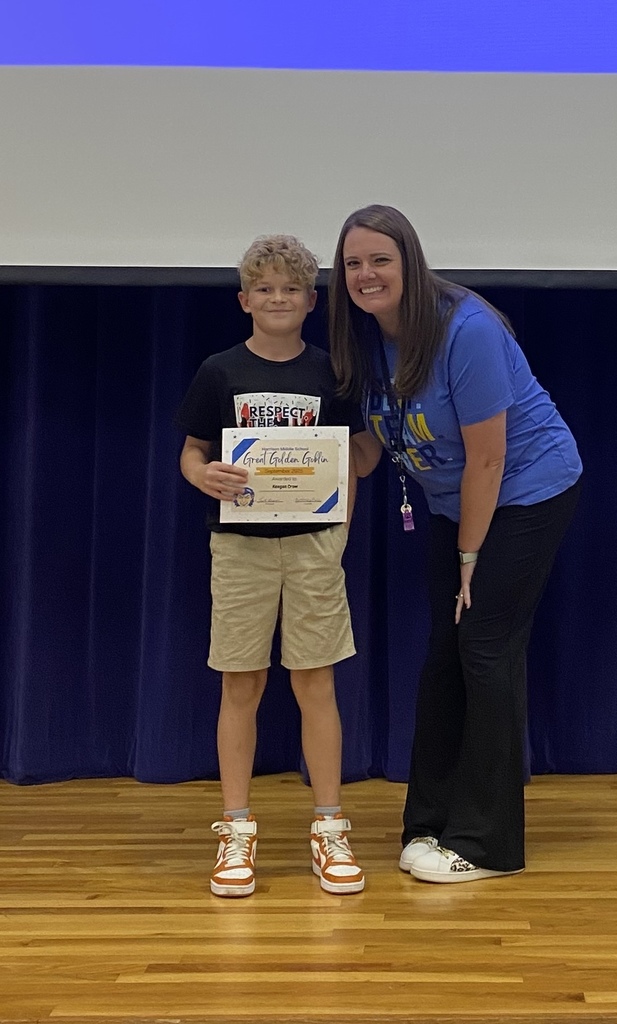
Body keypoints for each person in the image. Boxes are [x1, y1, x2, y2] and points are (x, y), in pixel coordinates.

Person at [328, 205, 582, 884]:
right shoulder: (366, 336)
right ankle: (430, 824)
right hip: (454, 502)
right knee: (446, 651)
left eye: (380, 259)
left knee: (486, 649)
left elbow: (489, 459)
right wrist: (292, 462)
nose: (366, 274)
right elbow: (371, 447)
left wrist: (470, 559)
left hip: (526, 490)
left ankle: (487, 845)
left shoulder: (466, 329)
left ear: (409, 262)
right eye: (353, 263)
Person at [176, 234, 365, 897]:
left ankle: (329, 825)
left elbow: (357, 457)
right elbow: (192, 452)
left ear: (311, 301)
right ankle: (235, 829)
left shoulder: (332, 372)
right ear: (244, 300)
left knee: (316, 681)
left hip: (314, 545)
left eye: (290, 289)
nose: (277, 298)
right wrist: (204, 476)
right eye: (265, 289)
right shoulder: (219, 371)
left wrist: (340, 527)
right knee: (241, 682)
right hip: (240, 547)